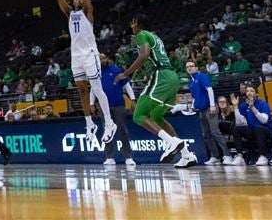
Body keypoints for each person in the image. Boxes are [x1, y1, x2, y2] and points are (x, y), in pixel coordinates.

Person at [114, 15, 197, 168]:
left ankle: (171, 142)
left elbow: (144, 56)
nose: (131, 26)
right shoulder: (155, 37)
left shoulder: (141, 34)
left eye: (132, 22)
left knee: (138, 115)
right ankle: (187, 155)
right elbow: (149, 55)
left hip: (162, 76)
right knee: (157, 117)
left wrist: (125, 74)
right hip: (173, 78)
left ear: (138, 24)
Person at [52, 0, 116, 144]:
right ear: (73, 2)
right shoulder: (70, 14)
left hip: (90, 55)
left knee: (96, 88)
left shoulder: (88, 13)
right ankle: (90, 124)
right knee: (81, 90)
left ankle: (109, 123)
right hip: (76, 56)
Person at [185, 61, 231, 165]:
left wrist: (212, 105)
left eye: (191, 66)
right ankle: (215, 157)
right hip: (201, 111)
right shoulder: (191, 82)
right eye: (187, 67)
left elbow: (209, 89)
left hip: (209, 108)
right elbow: (194, 97)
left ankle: (227, 155)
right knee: (206, 135)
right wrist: (193, 106)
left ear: (196, 67)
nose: (189, 68)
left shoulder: (202, 76)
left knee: (215, 132)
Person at [99, 53, 137, 168]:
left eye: (103, 58)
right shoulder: (96, 73)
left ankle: (129, 157)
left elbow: (127, 86)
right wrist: (91, 103)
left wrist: (133, 99)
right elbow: (93, 90)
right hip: (104, 107)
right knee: (107, 132)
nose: (102, 60)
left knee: (122, 130)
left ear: (107, 59)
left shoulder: (116, 70)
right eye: (99, 59)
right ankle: (109, 157)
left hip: (119, 105)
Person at [234, 84, 272, 165]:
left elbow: (264, 121)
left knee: (258, 128)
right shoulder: (244, 105)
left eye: (252, 91)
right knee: (236, 128)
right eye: (247, 91)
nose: (249, 93)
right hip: (253, 130)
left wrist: (253, 108)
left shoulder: (263, 104)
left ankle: (263, 156)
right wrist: (235, 107)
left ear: (256, 94)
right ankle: (240, 156)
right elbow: (239, 122)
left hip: (267, 130)